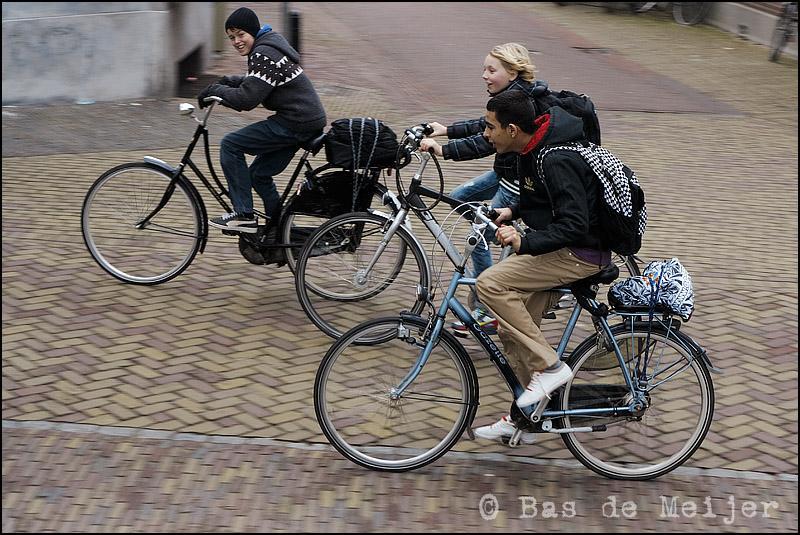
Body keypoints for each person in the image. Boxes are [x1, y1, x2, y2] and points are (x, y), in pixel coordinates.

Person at [472, 90, 611, 444]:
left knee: (489, 285)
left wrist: (524, 242)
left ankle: (552, 368)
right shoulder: (534, 149)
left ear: (513, 129)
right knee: (508, 331)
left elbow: (575, 224)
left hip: (580, 253)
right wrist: (513, 213)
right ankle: (529, 417)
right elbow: (544, 201)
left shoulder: (554, 157)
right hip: (563, 248)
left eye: (491, 127)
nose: (486, 134)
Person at [419, 43, 547, 335]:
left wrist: (444, 150)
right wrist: (446, 129)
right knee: (458, 197)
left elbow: (486, 141)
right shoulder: (510, 96)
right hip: (503, 173)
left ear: (512, 72)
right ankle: (509, 240)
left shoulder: (519, 101)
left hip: (516, 182)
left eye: (492, 70)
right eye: (484, 69)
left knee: (477, 236)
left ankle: (486, 308)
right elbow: (483, 125)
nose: (485, 75)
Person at [198, 7, 327, 233]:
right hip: (305, 120)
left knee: (230, 144)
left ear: (253, 32)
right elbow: (257, 82)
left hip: (295, 122)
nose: (236, 41)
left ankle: (244, 215)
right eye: (231, 38)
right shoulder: (268, 46)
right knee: (259, 174)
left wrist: (216, 90)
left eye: (240, 35)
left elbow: (247, 99)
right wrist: (228, 81)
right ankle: (279, 231)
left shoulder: (264, 53)